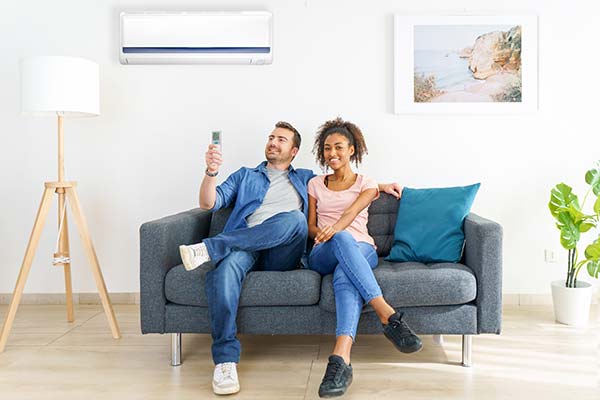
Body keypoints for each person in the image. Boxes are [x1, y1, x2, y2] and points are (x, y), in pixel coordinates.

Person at [178, 121, 402, 395]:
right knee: (224, 274)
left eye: (281, 139)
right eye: (271, 137)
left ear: (294, 151)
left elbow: (344, 181)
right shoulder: (244, 176)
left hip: (283, 254)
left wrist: (379, 186)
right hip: (244, 246)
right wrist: (211, 172)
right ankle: (225, 361)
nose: (273, 142)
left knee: (295, 219)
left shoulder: (306, 178)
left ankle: (211, 247)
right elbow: (208, 203)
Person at [307, 117, 422, 398]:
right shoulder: (314, 184)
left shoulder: (367, 183)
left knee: (347, 271)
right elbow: (309, 225)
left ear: (351, 150)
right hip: (323, 252)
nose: (332, 153)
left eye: (338, 147)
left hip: (361, 251)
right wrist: (324, 233)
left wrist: (338, 229)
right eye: (326, 148)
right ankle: (387, 314)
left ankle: (340, 359)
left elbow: (350, 214)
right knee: (342, 239)